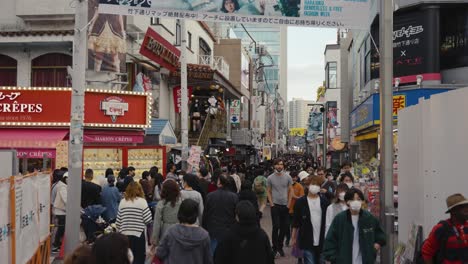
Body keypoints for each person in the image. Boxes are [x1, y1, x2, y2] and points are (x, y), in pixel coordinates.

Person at [323, 188, 386, 264]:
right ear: (347, 202)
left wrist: (375, 247)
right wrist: (333, 257)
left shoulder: (369, 218)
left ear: (362, 201)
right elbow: (330, 240)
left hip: (364, 260)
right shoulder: (340, 219)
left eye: (358, 199)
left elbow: (380, 235)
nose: (356, 202)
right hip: (343, 260)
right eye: (352, 199)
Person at [156, 199, 213, 264]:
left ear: (180, 212)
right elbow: (208, 260)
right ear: (196, 214)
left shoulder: (171, 231)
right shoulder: (204, 235)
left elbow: (160, 253)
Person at [291, 175, 330, 264]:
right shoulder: (300, 202)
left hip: (322, 240)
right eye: (313, 184)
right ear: (307, 185)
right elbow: (296, 222)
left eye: (317, 185)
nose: (315, 186)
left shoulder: (324, 201)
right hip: (306, 239)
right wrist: (293, 238)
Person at [421, 193, 468, 264]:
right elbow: (427, 252)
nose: (467, 209)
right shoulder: (441, 228)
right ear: (453, 211)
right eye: (463, 207)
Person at [116, 182, 152, 264]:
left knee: (126, 260)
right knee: (138, 260)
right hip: (138, 236)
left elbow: (118, 222)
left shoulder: (122, 202)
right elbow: (148, 219)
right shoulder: (142, 202)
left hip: (124, 236)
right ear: (139, 190)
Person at [202, 174, 239, 255]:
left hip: (213, 230)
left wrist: (204, 227)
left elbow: (206, 213)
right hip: (228, 229)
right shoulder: (234, 197)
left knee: (213, 254)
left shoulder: (210, 196)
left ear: (219, 183)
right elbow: (236, 214)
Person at [267, 158, 293, 257]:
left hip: (285, 205)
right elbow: (268, 191)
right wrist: (272, 204)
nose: (279, 166)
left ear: (283, 166)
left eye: (281, 164)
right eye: (277, 164)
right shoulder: (270, 178)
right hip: (275, 206)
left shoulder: (288, 177)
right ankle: (274, 248)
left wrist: (289, 204)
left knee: (284, 227)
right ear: (274, 166)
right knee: (276, 226)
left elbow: (291, 191)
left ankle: (280, 247)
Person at [151, 180, 182, 246]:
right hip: (179, 229)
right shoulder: (181, 202)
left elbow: (157, 223)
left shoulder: (161, 203)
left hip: (166, 230)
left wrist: (154, 240)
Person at [286, 171, 305, 247]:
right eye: (292, 177)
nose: (293, 179)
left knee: (293, 226)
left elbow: (302, 197)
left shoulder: (299, 186)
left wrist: (294, 196)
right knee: (286, 226)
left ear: (297, 178)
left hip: (295, 210)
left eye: (295, 177)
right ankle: (287, 239)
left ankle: (292, 239)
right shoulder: (286, 186)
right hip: (287, 208)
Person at [52, 172, 68, 252]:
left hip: (62, 211)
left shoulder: (62, 186)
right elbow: (66, 200)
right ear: (65, 178)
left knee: (61, 228)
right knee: (60, 228)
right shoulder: (62, 187)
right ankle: (56, 244)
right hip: (61, 212)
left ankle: (58, 244)